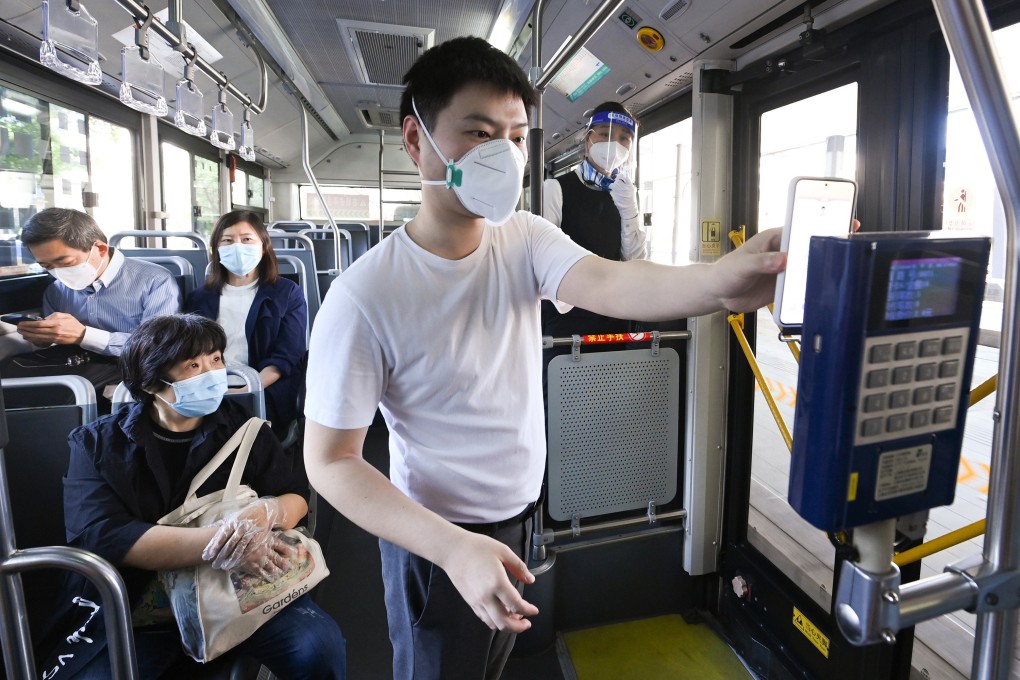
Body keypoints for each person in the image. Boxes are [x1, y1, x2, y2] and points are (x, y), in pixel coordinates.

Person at [303, 36, 784, 680]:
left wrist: (720, 282)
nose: (503, 154)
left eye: (517, 136)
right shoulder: (364, 295)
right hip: (436, 540)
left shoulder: (523, 238)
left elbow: (613, 282)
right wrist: (452, 549)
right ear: (417, 141)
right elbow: (330, 461)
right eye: (478, 133)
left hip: (520, 519)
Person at [39, 314, 346, 679]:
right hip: (138, 604)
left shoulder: (244, 429)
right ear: (153, 383)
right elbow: (106, 536)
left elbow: (294, 494)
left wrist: (268, 513)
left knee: (317, 648)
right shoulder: (97, 445)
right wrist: (230, 543)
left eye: (215, 359)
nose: (212, 373)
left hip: (240, 588)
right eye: (193, 365)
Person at [1, 208, 180, 395]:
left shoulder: (155, 280)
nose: (57, 272)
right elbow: (58, 344)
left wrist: (84, 335)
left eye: (66, 262)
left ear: (100, 249)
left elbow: (158, 347)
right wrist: (45, 338)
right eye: (47, 266)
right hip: (78, 362)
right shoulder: (55, 291)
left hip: (135, 366)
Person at [186, 210, 308, 436]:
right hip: (210, 385)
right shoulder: (199, 297)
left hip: (264, 386)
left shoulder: (287, 293)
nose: (238, 247)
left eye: (247, 239)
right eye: (228, 241)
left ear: (263, 246)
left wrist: (247, 388)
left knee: (223, 424)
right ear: (217, 249)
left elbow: (287, 355)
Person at [542, 101, 644, 339]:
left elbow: (634, 261)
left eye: (624, 138)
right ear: (588, 140)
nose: (614, 145)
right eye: (605, 135)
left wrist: (629, 211)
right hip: (568, 317)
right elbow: (546, 258)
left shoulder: (626, 194)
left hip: (615, 314)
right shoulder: (556, 188)